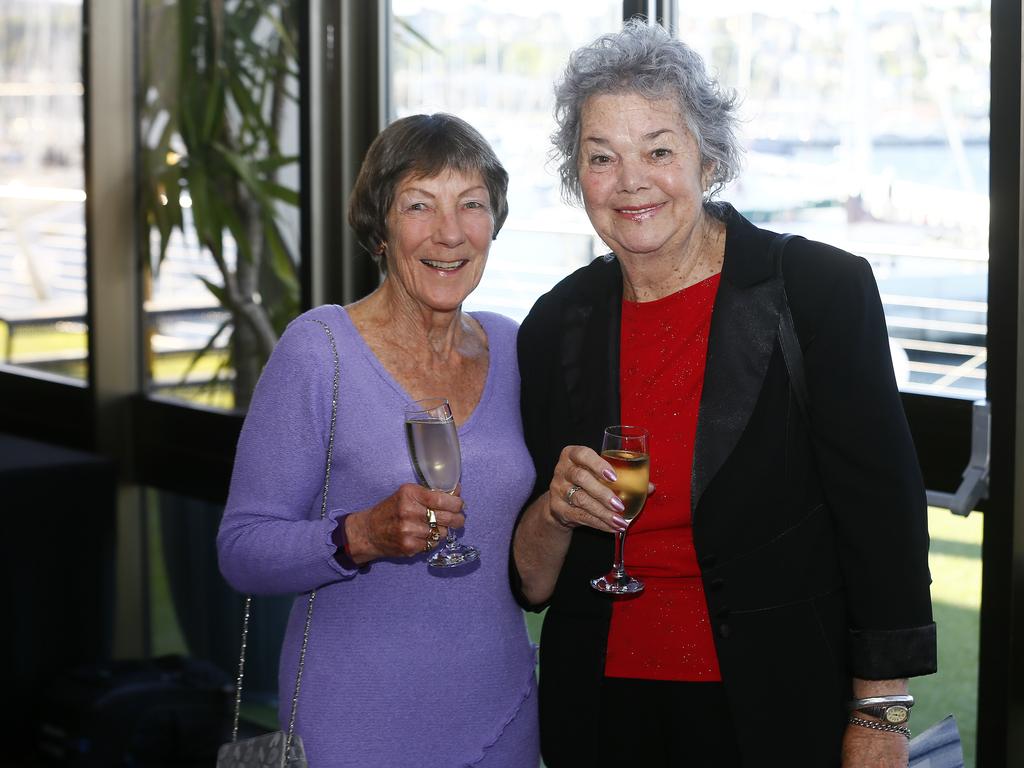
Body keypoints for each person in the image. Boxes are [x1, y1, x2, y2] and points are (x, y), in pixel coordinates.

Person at [509, 20, 935, 768]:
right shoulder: (556, 323)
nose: (631, 180)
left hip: (774, 707)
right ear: (579, 177)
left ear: (710, 159)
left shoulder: (818, 291)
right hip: (600, 708)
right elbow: (531, 579)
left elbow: (884, 518)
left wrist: (882, 715)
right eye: (601, 157)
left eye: (659, 150)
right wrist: (555, 505)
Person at [218, 113, 539, 767]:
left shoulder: (512, 344)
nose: (450, 233)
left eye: (471, 205)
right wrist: (360, 535)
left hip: (505, 724)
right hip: (357, 732)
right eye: (420, 205)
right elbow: (241, 550)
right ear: (379, 229)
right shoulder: (321, 352)